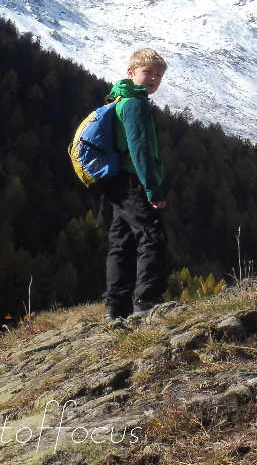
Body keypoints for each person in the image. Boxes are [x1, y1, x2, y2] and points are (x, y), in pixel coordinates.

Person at [103, 47, 168, 320]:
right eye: (147, 72)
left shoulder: (119, 99)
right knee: (151, 236)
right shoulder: (135, 104)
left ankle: (116, 308)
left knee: (122, 242)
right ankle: (147, 300)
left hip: (117, 183)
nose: (153, 78)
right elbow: (139, 149)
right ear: (131, 72)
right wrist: (152, 188)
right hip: (134, 181)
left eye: (158, 75)